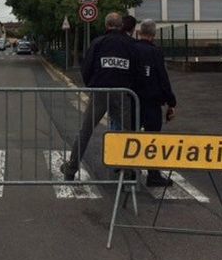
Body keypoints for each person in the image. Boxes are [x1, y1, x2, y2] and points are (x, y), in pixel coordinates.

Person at [60, 12, 140, 180]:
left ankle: (71, 168)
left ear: (106, 25)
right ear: (121, 26)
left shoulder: (98, 42)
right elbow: (137, 69)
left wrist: (91, 84)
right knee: (127, 132)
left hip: (100, 92)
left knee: (86, 130)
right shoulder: (131, 44)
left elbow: (86, 67)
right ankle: (128, 171)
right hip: (123, 92)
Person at [134, 19, 177, 187]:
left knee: (132, 135)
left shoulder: (132, 48)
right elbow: (162, 77)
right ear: (153, 34)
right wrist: (171, 101)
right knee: (153, 137)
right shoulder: (155, 52)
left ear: (139, 32)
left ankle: (129, 171)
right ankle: (153, 175)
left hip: (133, 99)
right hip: (152, 100)